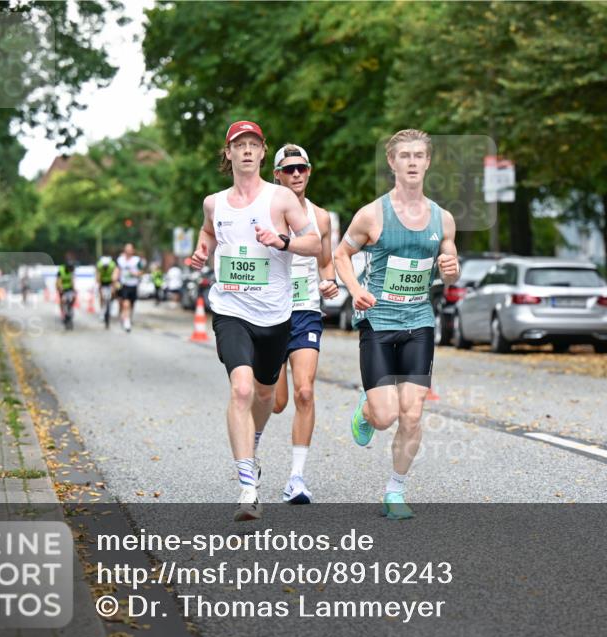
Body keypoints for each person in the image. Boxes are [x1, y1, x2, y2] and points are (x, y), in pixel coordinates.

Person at [189, 120, 320, 521]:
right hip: (230, 310)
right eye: (238, 145)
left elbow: (314, 243)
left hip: (275, 314)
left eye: (253, 144)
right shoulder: (214, 202)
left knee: (265, 396)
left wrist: (281, 241)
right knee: (241, 390)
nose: (246, 150)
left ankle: (254, 442)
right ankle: (248, 487)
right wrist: (201, 250)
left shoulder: (281, 198)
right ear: (227, 154)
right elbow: (208, 231)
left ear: (263, 153)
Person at [334, 129, 460, 520]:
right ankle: (367, 410)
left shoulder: (443, 218)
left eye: (418, 155)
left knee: (412, 413)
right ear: (391, 162)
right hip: (378, 319)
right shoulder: (373, 214)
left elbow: (450, 269)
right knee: (386, 415)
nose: (411, 162)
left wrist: (451, 271)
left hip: (419, 320)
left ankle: (395, 491)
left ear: (427, 162)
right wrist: (354, 289)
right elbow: (340, 254)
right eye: (403, 155)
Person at [269, 144, 340, 504]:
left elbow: (326, 264)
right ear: (277, 174)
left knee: (305, 392)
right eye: (289, 169)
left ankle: (296, 478)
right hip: (269, 313)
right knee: (277, 401)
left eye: (302, 168)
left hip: (306, 311)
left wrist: (330, 281)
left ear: (309, 172)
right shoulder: (265, 212)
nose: (296, 174)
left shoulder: (322, 218)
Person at [113, 243, 143, 332]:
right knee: (126, 304)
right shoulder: (120, 260)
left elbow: (141, 272)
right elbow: (117, 270)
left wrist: (135, 273)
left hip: (133, 285)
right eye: (127, 249)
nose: (128, 251)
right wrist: (114, 280)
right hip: (124, 285)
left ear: (133, 251)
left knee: (131, 305)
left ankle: (127, 318)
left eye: (130, 249)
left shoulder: (136, 260)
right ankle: (126, 322)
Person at [56, 260, 76, 327]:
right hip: (62, 288)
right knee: (63, 300)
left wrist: (73, 289)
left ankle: (70, 308)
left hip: (69, 288)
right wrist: (61, 289)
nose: (71, 270)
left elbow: (72, 280)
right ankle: (63, 313)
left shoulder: (72, 271)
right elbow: (59, 281)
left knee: (73, 297)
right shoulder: (61, 271)